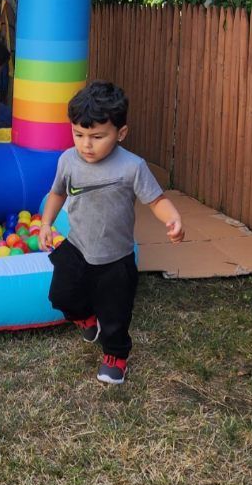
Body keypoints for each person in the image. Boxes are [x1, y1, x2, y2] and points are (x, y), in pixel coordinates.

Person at [39, 80, 184, 386]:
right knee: (61, 295)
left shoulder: (132, 167)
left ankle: (115, 356)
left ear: (121, 133)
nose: (86, 145)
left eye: (97, 136)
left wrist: (171, 219)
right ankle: (86, 319)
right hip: (77, 247)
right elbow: (56, 194)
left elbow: (156, 200)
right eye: (78, 134)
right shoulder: (67, 160)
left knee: (116, 315)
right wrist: (46, 223)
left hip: (115, 259)